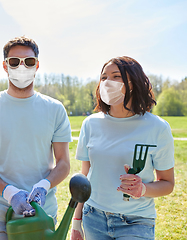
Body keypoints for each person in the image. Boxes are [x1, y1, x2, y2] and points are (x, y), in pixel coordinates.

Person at [0, 36, 72, 240]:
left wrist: (44, 185)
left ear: (37, 65)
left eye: (29, 62)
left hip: (43, 217)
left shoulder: (54, 109)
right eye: (14, 62)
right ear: (5, 66)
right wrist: (8, 192)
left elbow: (64, 163)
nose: (22, 67)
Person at [70, 56, 175, 240]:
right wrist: (77, 220)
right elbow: (85, 178)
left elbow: (167, 183)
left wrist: (143, 189)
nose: (107, 82)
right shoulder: (90, 124)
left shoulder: (157, 127)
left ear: (133, 82)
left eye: (116, 76)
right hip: (93, 218)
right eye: (104, 77)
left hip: (137, 222)